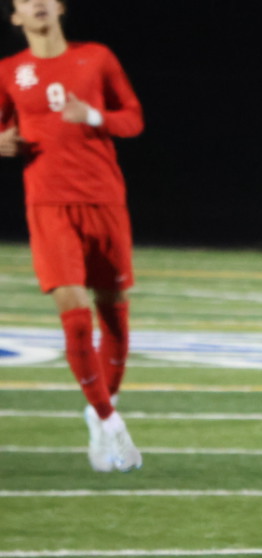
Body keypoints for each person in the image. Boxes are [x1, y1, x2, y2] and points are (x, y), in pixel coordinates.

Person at [0, 0, 141, 470]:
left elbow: (133, 119)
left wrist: (94, 116)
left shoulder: (96, 57)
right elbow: (3, 128)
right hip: (48, 206)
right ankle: (110, 423)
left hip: (105, 202)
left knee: (114, 320)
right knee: (76, 320)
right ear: (15, 16)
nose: (37, 3)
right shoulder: (9, 71)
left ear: (60, 7)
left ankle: (97, 412)